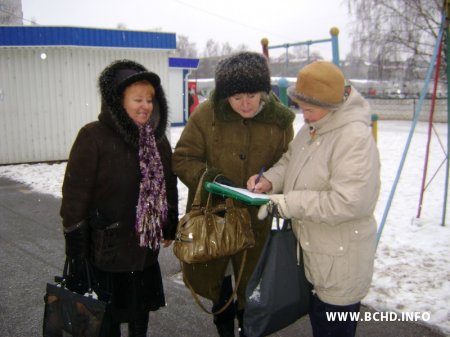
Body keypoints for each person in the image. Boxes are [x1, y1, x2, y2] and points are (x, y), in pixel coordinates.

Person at [248, 60, 381, 337]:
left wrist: (289, 203)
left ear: (331, 105)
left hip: (340, 261)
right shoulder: (313, 127)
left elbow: (350, 201)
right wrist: (270, 180)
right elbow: (290, 160)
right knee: (321, 325)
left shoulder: (353, 137)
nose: (304, 116)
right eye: (302, 108)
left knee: (333, 329)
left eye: (309, 109)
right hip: (315, 253)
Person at [172, 51, 295, 337]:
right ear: (225, 94)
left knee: (250, 287)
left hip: (256, 220)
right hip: (213, 218)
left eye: (252, 95)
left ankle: (248, 330)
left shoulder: (280, 121)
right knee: (220, 283)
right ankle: (225, 330)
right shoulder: (206, 114)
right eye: (237, 97)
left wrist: (270, 181)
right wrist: (210, 180)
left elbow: (289, 163)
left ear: (263, 91)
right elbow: (183, 157)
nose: (245, 103)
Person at [60, 59, 179, 337]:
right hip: (106, 253)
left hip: (144, 254)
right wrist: (76, 249)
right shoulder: (93, 136)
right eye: (137, 99)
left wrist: (169, 223)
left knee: (140, 318)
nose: (145, 106)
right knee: (106, 322)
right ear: (118, 101)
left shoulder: (157, 140)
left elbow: (168, 187)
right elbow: (74, 198)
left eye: (149, 99)